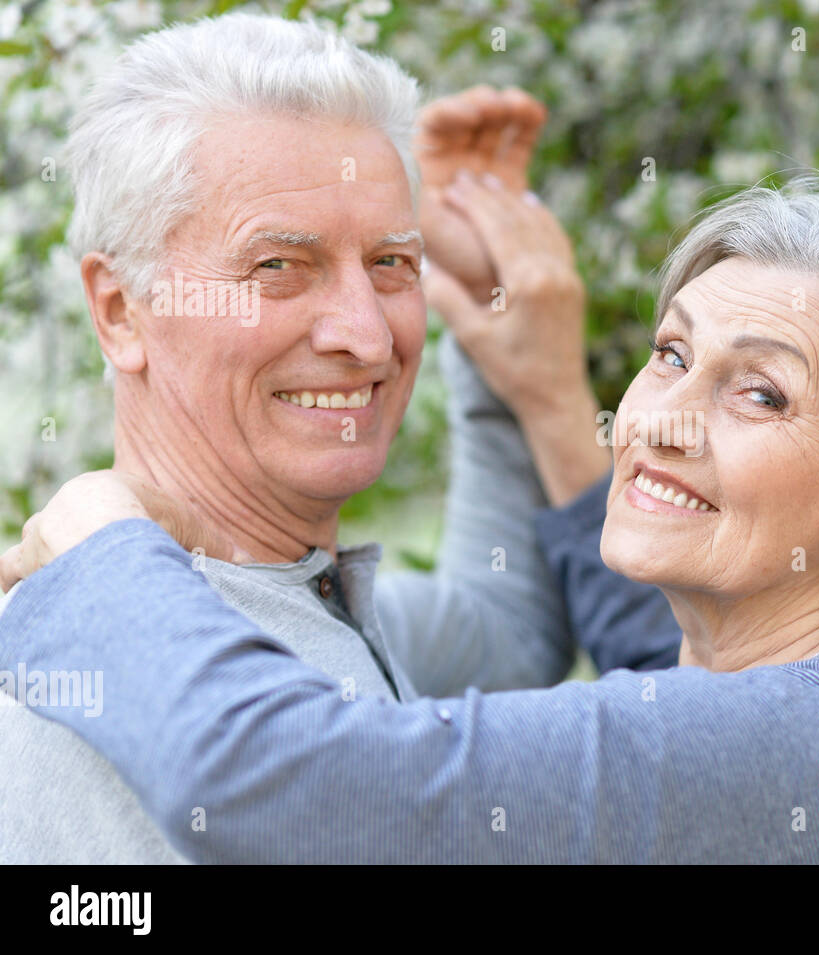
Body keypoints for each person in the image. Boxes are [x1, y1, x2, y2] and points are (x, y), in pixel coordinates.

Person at [1, 175, 819, 863]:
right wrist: (542, 393)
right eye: (671, 355)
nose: (659, 418)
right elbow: (649, 654)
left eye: (758, 392)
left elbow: (306, 787)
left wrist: (102, 546)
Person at [0, 12, 676, 864]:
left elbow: (509, 634)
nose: (367, 333)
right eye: (278, 266)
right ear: (119, 309)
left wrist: (501, 330)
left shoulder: (298, 593)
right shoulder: (93, 680)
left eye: (392, 262)